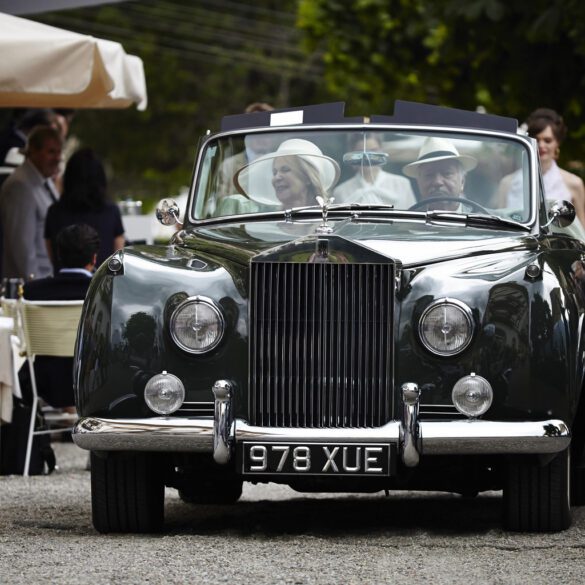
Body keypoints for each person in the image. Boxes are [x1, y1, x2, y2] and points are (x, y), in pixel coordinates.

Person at [19, 224, 100, 410]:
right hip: (93, 381)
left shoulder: (32, 291)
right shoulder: (104, 290)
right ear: (94, 258)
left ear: (58, 255)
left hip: (44, 382)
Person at [44, 148, 125, 270]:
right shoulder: (111, 212)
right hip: (102, 287)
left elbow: (52, 257)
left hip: (63, 286)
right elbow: (118, 260)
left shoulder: (54, 212)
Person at [0, 125, 63, 280]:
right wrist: (36, 288)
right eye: (51, 152)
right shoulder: (20, 186)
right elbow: (22, 248)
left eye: (59, 152)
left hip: (46, 280)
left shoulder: (45, 181)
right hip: (31, 287)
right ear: (33, 151)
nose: (57, 158)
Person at [218, 138, 339, 215]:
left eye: (285, 170)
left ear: (307, 177)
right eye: (274, 172)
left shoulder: (330, 224)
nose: (277, 177)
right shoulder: (263, 223)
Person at [334, 132, 416, 208]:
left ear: (381, 150)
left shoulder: (401, 184)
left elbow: (413, 221)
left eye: (373, 151)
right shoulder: (341, 191)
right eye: (361, 153)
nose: (368, 158)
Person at [217, 102, 276, 199]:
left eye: (266, 130)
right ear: (246, 134)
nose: (261, 136)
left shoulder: (283, 164)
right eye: (255, 130)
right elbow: (220, 202)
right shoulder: (228, 166)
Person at [402, 136, 477, 210]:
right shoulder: (408, 221)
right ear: (419, 183)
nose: (437, 182)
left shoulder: (483, 220)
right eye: (429, 175)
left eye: (447, 173)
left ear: (462, 182)